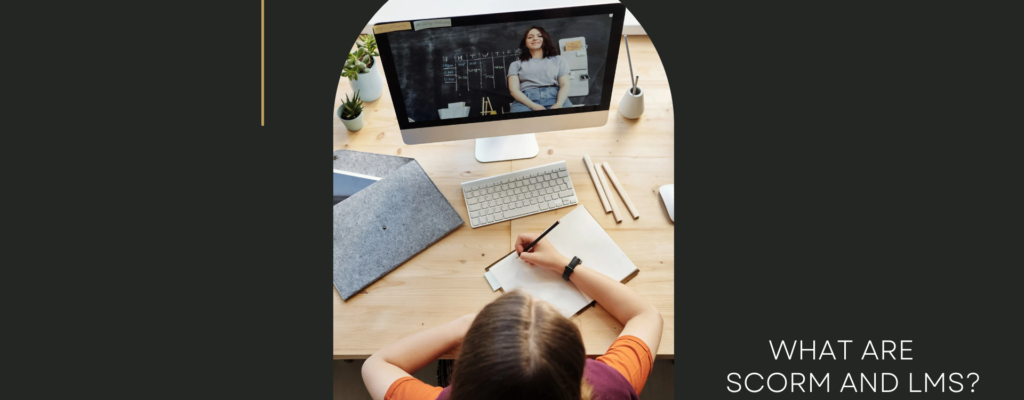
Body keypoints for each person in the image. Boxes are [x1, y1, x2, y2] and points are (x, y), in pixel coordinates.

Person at [361, 233, 664, 400]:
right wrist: (564, 264)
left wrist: (461, 326)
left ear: (461, 374)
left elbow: (377, 364)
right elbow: (645, 314)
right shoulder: (609, 387)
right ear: (579, 367)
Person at [507, 26, 573, 112]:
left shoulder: (559, 60)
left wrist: (558, 104)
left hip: (556, 97)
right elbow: (514, 90)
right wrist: (532, 105)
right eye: (530, 37)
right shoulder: (515, 64)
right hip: (525, 100)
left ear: (545, 39)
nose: (535, 39)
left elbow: (565, 84)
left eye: (539, 36)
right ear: (525, 43)